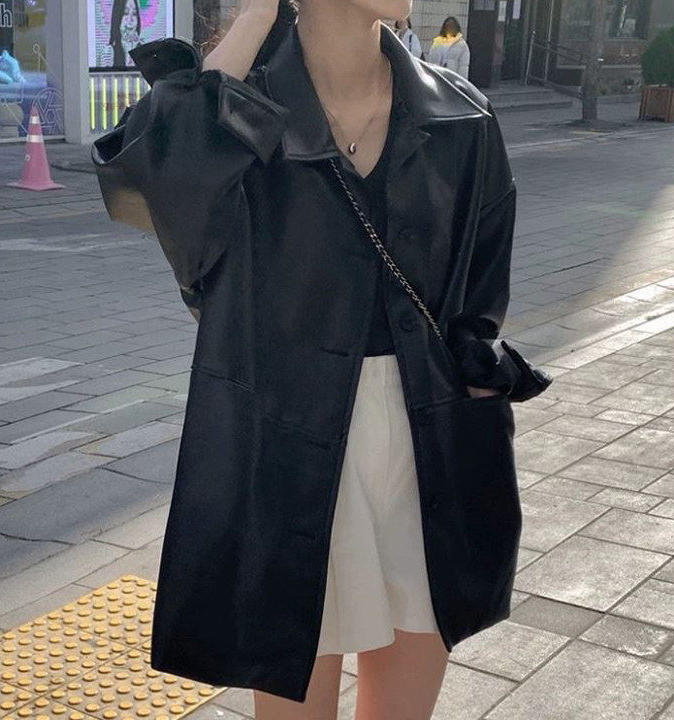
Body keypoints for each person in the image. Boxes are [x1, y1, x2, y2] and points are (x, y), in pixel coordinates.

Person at [92, 0, 551, 717]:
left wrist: (481, 403)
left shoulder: (461, 113)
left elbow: (482, 297)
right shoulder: (237, 116)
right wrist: (256, 16)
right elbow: (153, 178)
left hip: (429, 443)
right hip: (286, 451)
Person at [107, 0, 143, 68]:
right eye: (125, 13)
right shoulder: (109, 53)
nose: (130, 20)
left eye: (134, 13)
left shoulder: (143, 50)